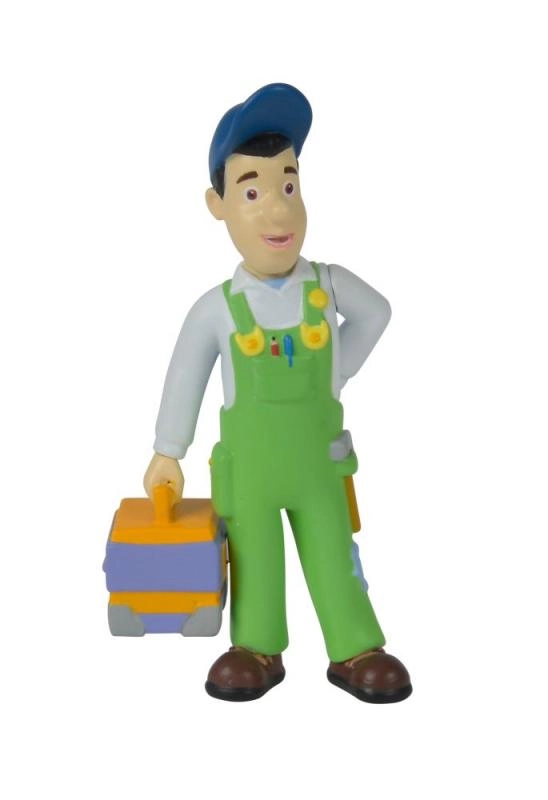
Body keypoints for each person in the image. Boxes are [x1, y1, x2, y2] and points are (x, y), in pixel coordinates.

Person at [144, 83, 412, 703]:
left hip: (319, 467)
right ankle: (256, 647)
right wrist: (167, 451)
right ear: (218, 205)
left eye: (288, 186)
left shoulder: (328, 285)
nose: (277, 211)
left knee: (333, 551)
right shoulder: (216, 309)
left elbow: (378, 313)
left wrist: (337, 369)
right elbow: (184, 377)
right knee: (255, 557)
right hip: (252, 475)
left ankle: (356, 647)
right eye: (253, 191)